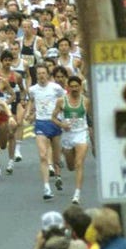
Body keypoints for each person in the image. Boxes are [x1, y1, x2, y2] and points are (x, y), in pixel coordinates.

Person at [27, 64, 65, 200]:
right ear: (36, 75)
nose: (41, 76)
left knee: (56, 156)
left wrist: (62, 115)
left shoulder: (56, 88)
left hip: (54, 123)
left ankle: (58, 175)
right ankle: (46, 187)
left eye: (44, 73)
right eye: (39, 73)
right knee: (43, 155)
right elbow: (31, 101)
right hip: (41, 123)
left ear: (48, 75)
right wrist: (29, 113)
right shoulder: (32, 89)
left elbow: (63, 100)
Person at [51, 75, 90, 205]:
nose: (74, 89)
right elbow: (53, 118)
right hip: (67, 135)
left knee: (79, 163)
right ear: (68, 87)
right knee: (71, 166)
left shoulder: (85, 101)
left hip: (81, 134)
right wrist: (62, 125)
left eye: (76, 86)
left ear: (80, 87)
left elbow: (91, 118)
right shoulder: (61, 101)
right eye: (72, 86)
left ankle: (77, 194)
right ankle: (64, 155)